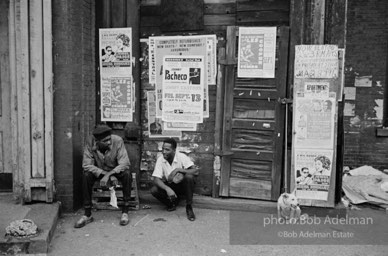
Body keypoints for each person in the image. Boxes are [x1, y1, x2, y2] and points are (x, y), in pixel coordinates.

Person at [74, 124, 132, 228]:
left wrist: (111, 174)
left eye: (109, 139)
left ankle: (125, 211)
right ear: (97, 142)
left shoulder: (117, 140)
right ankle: (87, 214)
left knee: (127, 173)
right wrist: (106, 175)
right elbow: (86, 165)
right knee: (86, 175)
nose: (109, 142)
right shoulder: (90, 143)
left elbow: (125, 163)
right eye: (105, 141)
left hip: (115, 171)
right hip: (100, 172)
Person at [150, 138, 199, 221]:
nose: (164, 152)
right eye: (163, 149)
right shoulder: (160, 159)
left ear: (174, 150)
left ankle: (189, 207)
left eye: (167, 149)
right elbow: (156, 179)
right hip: (171, 185)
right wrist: (167, 189)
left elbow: (196, 171)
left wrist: (179, 170)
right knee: (154, 190)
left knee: (189, 177)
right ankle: (172, 203)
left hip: (183, 186)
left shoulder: (181, 156)